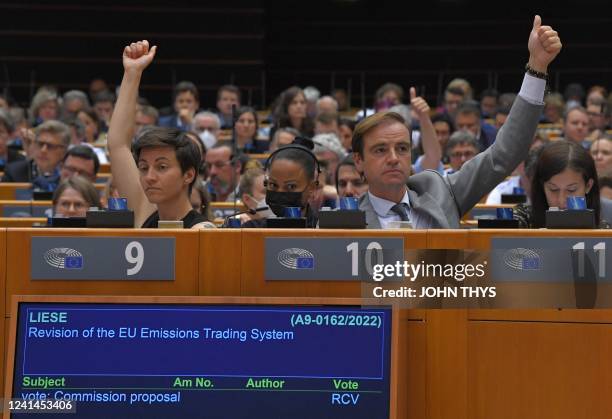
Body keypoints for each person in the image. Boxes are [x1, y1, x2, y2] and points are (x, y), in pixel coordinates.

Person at [352, 15, 561, 229]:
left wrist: (537, 67)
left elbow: (504, 154)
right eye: (380, 150)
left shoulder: (438, 191)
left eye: (402, 148)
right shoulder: (345, 222)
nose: (394, 158)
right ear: (358, 160)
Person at [108, 40, 209, 229]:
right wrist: (132, 74)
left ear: (188, 175)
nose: (150, 177)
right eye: (144, 167)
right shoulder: (144, 210)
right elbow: (118, 144)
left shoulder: (202, 231)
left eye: (162, 167)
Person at [513, 140, 608, 228]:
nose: (561, 200)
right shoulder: (523, 217)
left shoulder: (604, 231)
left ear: (588, 186)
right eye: (553, 189)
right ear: (542, 186)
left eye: (571, 190)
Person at [242, 137, 320, 228]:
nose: (280, 192)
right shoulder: (251, 231)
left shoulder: (327, 231)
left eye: (291, 186)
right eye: (273, 185)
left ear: (312, 188)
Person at [2, 120, 70, 190]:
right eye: (40, 144)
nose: (43, 150)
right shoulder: (14, 172)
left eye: (50, 146)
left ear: (64, 151)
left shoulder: (71, 175)